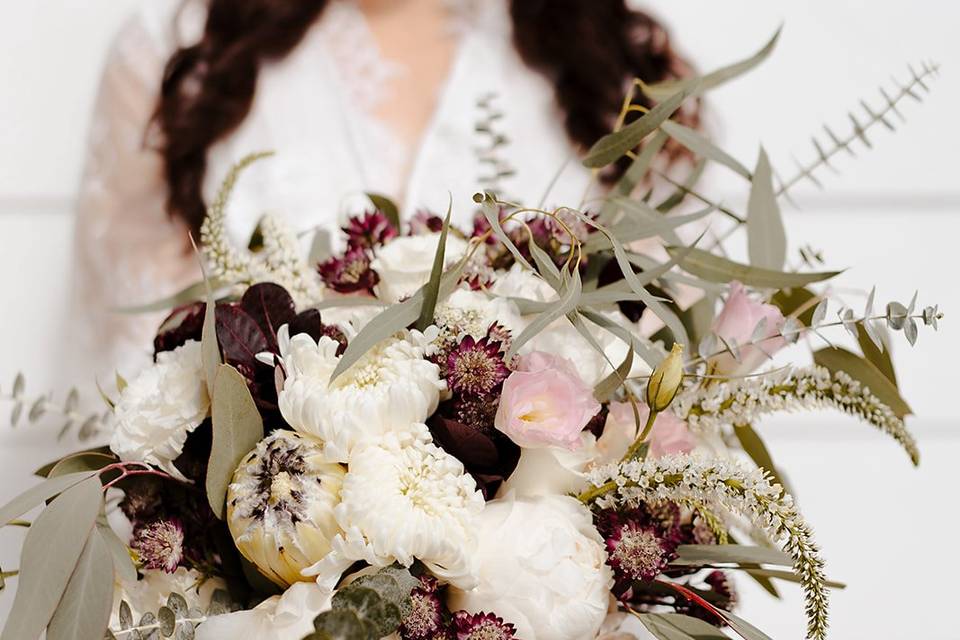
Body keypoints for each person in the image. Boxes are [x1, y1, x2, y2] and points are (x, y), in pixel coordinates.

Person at [70, 0, 698, 379]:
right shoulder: (177, 54)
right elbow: (136, 374)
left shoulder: (623, 72)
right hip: (254, 573)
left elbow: (681, 373)